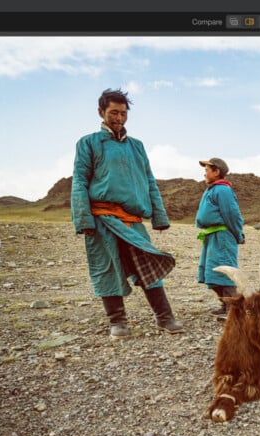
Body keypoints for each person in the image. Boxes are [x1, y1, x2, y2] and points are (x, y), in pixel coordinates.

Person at [71, 88, 183, 338]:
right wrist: (83, 219)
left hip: (133, 221)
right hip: (102, 219)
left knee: (148, 264)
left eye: (123, 113)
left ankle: (165, 318)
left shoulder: (137, 146)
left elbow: (149, 180)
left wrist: (159, 216)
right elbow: (79, 181)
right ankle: (117, 322)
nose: (119, 118)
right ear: (101, 112)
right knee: (107, 267)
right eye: (113, 112)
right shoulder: (88, 143)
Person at [195, 157, 245, 319]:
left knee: (225, 271)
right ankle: (225, 305)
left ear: (216, 172)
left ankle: (235, 310)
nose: (205, 173)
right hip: (212, 236)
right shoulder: (213, 189)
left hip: (222, 236)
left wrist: (238, 234)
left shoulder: (223, 190)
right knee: (212, 272)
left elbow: (231, 214)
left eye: (207, 170)